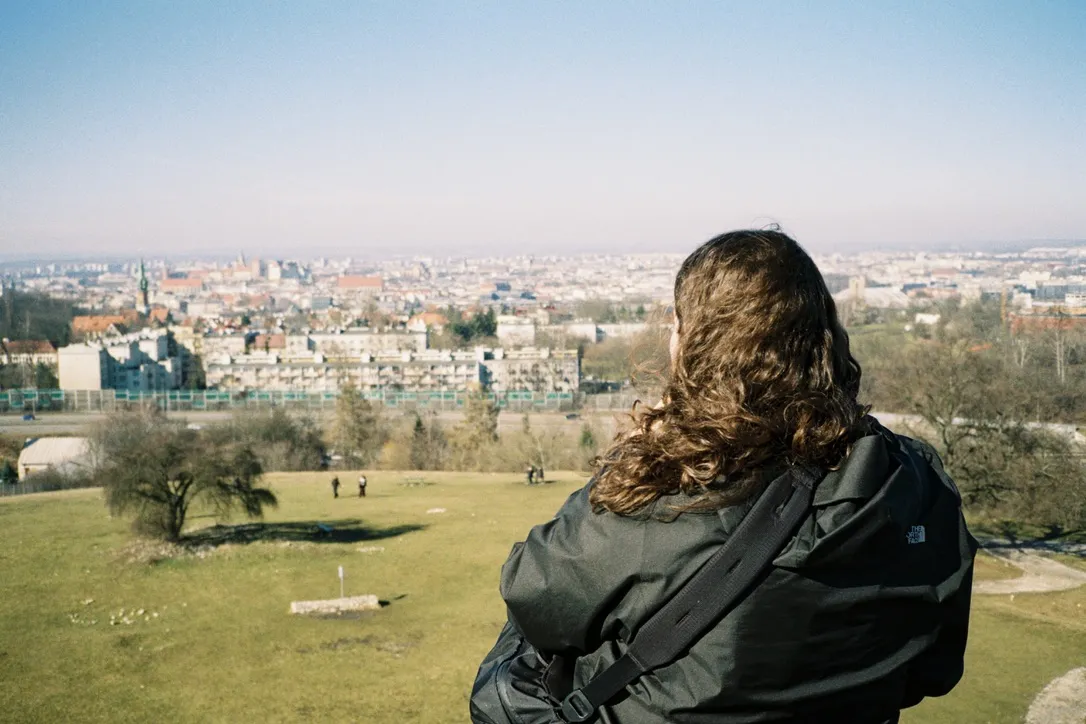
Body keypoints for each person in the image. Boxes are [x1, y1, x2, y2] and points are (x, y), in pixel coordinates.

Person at [490, 230, 977, 723]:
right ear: (824, 336)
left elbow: (533, 593)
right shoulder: (913, 484)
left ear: (690, 342)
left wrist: (636, 459)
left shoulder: (665, 502)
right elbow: (934, 669)